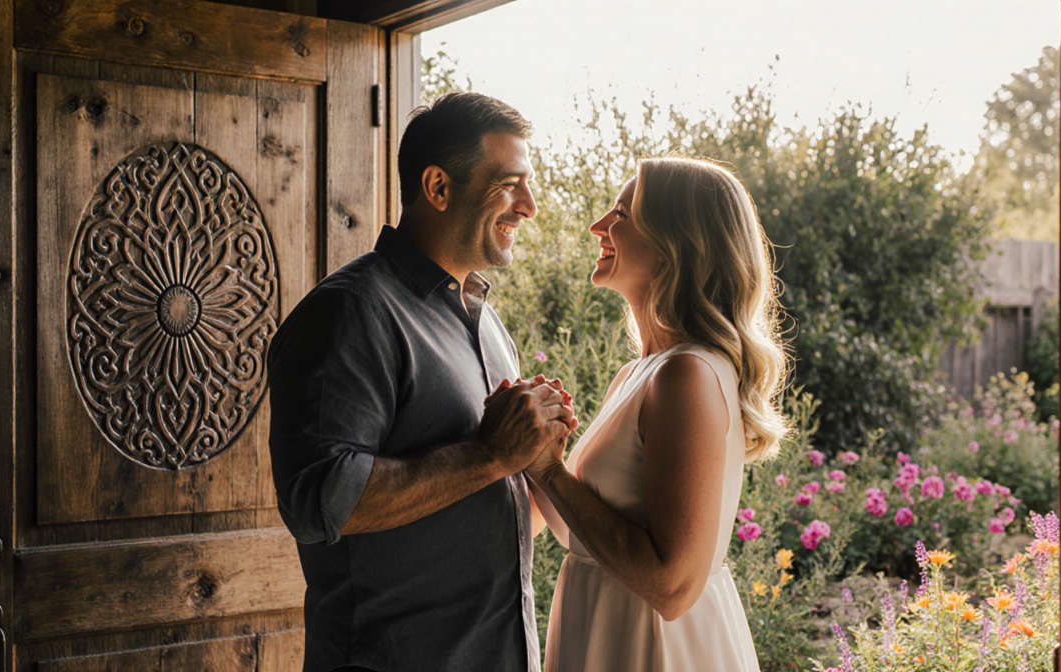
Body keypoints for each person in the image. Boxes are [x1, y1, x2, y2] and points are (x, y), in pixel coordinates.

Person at [267, 92, 577, 672]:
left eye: (528, 185)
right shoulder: (349, 312)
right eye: (509, 185)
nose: (529, 207)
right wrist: (490, 455)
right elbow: (319, 499)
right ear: (437, 187)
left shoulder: (487, 324)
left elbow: (486, 511)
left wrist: (534, 455)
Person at [527, 158, 788, 672]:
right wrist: (533, 447)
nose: (598, 226)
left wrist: (550, 471)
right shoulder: (639, 372)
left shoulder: (686, 375)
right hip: (606, 630)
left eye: (622, 214)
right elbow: (578, 534)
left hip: (655, 648)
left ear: (676, 244)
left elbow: (671, 585)